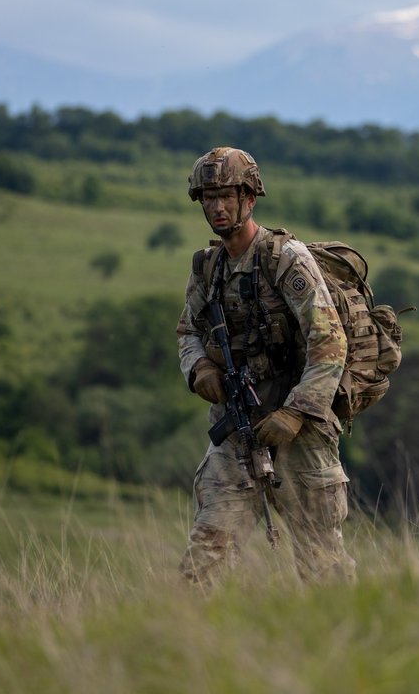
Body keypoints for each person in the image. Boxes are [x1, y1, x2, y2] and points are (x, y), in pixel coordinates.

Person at [176, 146, 356, 587]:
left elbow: (330, 340)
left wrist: (295, 412)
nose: (217, 207)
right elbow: (188, 331)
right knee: (205, 559)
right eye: (208, 198)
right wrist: (199, 368)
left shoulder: (285, 258)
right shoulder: (208, 267)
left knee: (322, 565)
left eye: (227, 196)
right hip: (237, 431)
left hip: (302, 432)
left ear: (249, 199)